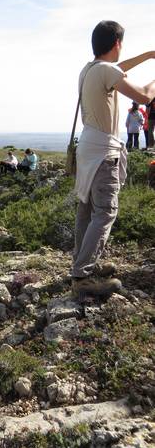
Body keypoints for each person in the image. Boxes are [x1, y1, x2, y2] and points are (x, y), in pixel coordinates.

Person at [72, 20, 155, 302]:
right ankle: (82, 277)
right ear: (117, 43)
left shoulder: (89, 70)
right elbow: (145, 96)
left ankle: (81, 265)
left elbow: (119, 68)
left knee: (87, 211)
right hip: (103, 152)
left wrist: (148, 55)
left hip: (88, 148)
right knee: (105, 211)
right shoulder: (106, 70)